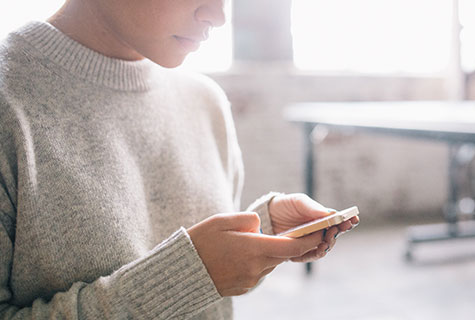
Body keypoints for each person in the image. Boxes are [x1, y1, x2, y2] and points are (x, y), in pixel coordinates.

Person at [0, 0, 359, 319]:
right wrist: (186, 276)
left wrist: (260, 230)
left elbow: (209, 285)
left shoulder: (204, 101)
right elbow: (193, 272)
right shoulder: (9, 102)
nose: (218, 15)